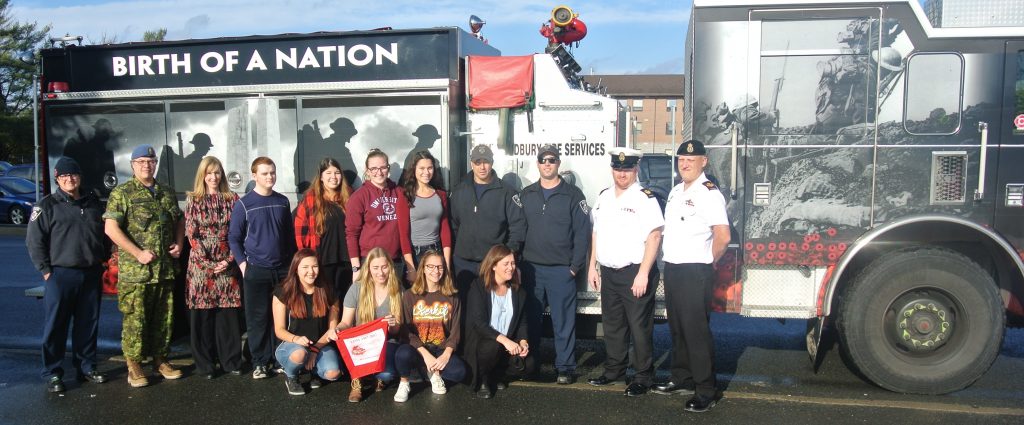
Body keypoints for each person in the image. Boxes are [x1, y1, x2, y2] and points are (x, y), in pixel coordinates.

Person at [652, 140, 730, 413]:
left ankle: (706, 389)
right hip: (673, 268)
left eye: (691, 159)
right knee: (678, 328)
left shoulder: (709, 193)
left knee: (696, 331)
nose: (684, 164)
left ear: (703, 161)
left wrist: (707, 262)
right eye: (681, 160)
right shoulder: (675, 191)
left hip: (696, 269)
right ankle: (681, 376)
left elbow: (723, 236)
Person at [103, 144, 185, 387]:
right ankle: (134, 366)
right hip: (137, 273)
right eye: (140, 162)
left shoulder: (166, 192)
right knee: (135, 321)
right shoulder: (123, 193)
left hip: (164, 270)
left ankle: (161, 360)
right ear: (132, 165)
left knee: (164, 319)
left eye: (150, 161)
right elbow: (111, 228)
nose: (146, 165)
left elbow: (180, 220)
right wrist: (137, 253)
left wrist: (179, 245)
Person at [586, 147, 664, 397]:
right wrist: (592, 266)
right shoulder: (604, 196)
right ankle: (614, 371)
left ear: (636, 170)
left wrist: (643, 273)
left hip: (635, 272)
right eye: (618, 169)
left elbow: (654, 236)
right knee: (613, 325)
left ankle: (643, 376)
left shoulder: (645, 197)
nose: (622, 174)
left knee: (639, 328)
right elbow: (596, 233)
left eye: (627, 169)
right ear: (612, 170)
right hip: (609, 272)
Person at [27, 157, 108, 393]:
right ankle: (53, 372)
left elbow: (103, 235)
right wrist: (45, 271)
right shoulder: (46, 206)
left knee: (88, 324)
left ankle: (86, 366)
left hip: (91, 273)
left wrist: (103, 259)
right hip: (60, 275)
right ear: (57, 178)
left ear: (80, 177)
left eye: (73, 175)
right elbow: (34, 241)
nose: (69, 179)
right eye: (64, 176)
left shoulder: (93, 203)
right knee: (56, 326)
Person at [520, 144, 590, 384]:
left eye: (552, 160)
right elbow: (519, 230)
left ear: (558, 163)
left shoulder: (573, 195)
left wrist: (574, 267)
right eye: (543, 160)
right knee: (532, 321)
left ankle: (565, 368)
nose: (547, 164)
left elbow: (582, 234)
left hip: (561, 270)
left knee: (564, 322)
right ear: (537, 163)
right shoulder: (527, 194)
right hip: (532, 269)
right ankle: (532, 365)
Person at [229, 157, 296, 380]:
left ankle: (279, 358)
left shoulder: (282, 202)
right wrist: (243, 265)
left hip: (282, 270)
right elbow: (234, 238)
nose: (270, 177)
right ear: (254, 176)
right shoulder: (244, 204)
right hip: (256, 270)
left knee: (281, 317)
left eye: (272, 173)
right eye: (265, 173)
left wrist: (291, 265)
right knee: (257, 318)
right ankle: (260, 362)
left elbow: (288, 236)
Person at [183, 156, 243, 379]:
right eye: (209, 173)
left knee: (227, 315)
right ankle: (205, 364)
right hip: (201, 265)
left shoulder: (232, 199)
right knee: (203, 316)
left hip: (227, 261)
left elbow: (238, 232)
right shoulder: (194, 200)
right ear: (202, 175)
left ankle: (231, 361)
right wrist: (208, 263)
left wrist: (228, 260)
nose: (213, 177)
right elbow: (192, 234)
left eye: (217, 172)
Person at [449, 144, 526, 296]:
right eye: (478, 162)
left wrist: (505, 255)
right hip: (463, 262)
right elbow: (453, 225)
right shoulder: (459, 190)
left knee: (492, 307)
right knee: (465, 307)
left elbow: (518, 228)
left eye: (486, 162)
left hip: (493, 264)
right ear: (471, 163)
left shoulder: (506, 192)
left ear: (492, 162)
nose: (482, 167)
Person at [393, 250, 466, 402]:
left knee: (459, 372)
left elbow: (455, 331)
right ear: (423, 269)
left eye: (439, 267)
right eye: (431, 266)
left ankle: (432, 372)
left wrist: (446, 355)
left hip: (440, 348)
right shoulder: (409, 295)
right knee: (402, 355)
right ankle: (405, 382)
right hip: (416, 348)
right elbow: (405, 331)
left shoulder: (452, 296)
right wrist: (426, 355)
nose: (436, 271)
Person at [464, 244, 533, 399]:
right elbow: (479, 324)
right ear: (494, 265)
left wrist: (523, 342)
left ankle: (497, 376)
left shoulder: (517, 291)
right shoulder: (478, 287)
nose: (511, 267)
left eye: (513, 263)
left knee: (530, 364)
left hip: (506, 345)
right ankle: (483, 380)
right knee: (493, 346)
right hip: (483, 343)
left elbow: (522, 322)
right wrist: (506, 341)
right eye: (506, 264)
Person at [272, 249, 342, 396]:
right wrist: (296, 339)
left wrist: (315, 350)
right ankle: (291, 376)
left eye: (315, 266)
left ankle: (315, 372)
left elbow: (332, 329)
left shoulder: (328, 290)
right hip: (292, 346)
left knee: (333, 373)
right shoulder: (283, 291)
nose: (311, 271)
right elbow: (279, 330)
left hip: (321, 344)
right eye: (305, 267)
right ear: (296, 269)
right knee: (300, 354)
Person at [337, 247, 403, 403]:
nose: (380, 272)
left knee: (387, 374)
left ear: (390, 267)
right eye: (375, 268)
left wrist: (393, 324)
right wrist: (338, 330)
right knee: (352, 346)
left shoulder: (397, 289)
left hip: (386, 342)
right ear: (368, 269)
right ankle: (357, 382)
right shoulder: (357, 288)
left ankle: (377, 377)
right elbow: (346, 322)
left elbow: (397, 330)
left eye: (384, 267)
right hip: (363, 342)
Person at [294, 157, 354, 297]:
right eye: (328, 173)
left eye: (337, 173)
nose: (333, 177)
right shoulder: (310, 199)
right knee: (324, 299)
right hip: (322, 261)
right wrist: (307, 260)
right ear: (321, 176)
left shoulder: (350, 197)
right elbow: (300, 232)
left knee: (345, 299)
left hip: (346, 260)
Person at [346, 149, 402, 283]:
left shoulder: (399, 192)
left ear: (388, 168)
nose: (379, 172)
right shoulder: (359, 197)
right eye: (374, 168)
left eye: (383, 167)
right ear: (367, 170)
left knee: (396, 302)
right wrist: (356, 268)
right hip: (370, 263)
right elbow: (351, 234)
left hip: (395, 261)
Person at [396, 150, 452, 278]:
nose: (426, 172)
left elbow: (445, 230)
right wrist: (410, 268)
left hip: (437, 250)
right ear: (414, 170)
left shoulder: (440, 195)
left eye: (430, 168)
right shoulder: (405, 196)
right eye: (421, 168)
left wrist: (447, 264)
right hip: (416, 253)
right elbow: (403, 235)